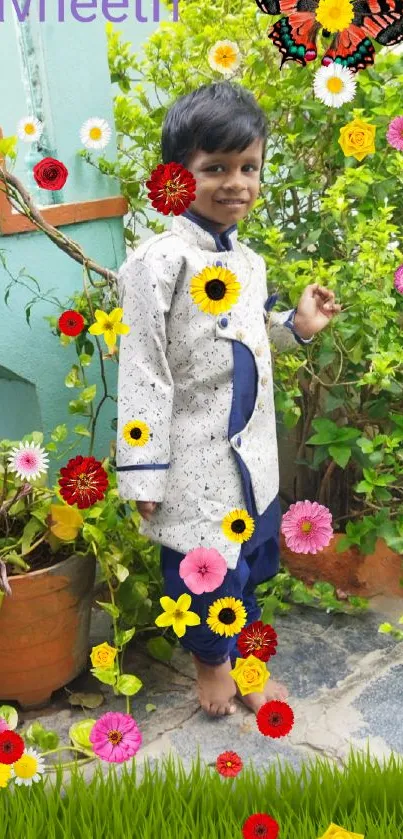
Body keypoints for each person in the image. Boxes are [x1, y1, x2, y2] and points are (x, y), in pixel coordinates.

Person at [116, 81, 342, 719]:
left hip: (252, 457)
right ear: (177, 176)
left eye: (250, 168)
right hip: (195, 459)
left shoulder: (248, 262)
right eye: (215, 168)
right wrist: (143, 469)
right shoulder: (157, 263)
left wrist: (294, 327)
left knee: (250, 564)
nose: (236, 183)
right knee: (202, 566)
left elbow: (240, 338)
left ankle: (242, 653)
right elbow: (144, 370)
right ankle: (210, 664)